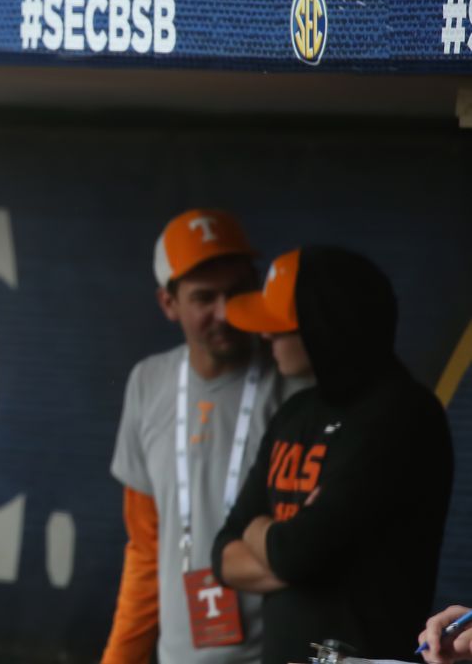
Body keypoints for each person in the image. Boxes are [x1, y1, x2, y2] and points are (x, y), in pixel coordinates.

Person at [212, 247, 453, 664]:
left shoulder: (402, 414)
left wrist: (271, 538)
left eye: (282, 325)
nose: (266, 335)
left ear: (326, 327)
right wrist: (281, 542)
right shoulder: (295, 411)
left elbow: (296, 552)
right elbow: (222, 554)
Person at [103, 209, 303, 664]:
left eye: (237, 293)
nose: (224, 312)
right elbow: (145, 548)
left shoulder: (294, 384)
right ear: (168, 304)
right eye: (204, 297)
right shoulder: (148, 382)